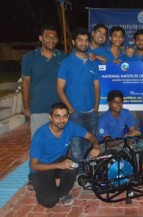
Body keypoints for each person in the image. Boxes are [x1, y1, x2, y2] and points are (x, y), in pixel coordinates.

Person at [21, 24, 67, 190]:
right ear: (41, 38)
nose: (52, 40)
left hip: (59, 110)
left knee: (59, 142)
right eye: (48, 36)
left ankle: (55, 173)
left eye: (54, 37)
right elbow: (25, 84)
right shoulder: (29, 58)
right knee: (38, 143)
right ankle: (33, 176)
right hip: (38, 107)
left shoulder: (63, 57)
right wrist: (26, 107)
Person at [30, 102, 100, 208]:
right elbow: (34, 165)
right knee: (49, 202)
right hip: (42, 167)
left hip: (59, 161)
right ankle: (36, 181)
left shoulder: (70, 126)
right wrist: (59, 165)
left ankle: (63, 192)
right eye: (57, 116)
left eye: (64, 116)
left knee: (73, 165)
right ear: (50, 117)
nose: (61, 120)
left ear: (68, 117)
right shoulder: (40, 136)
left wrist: (96, 146)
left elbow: (91, 136)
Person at [57, 28, 100, 175]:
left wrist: (95, 108)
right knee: (76, 146)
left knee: (91, 144)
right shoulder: (66, 63)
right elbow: (60, 89)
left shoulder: (92, 63)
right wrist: (71, 109)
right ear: (74, 42)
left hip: (92, 113)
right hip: (75, 113)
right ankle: (78, 175)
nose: (83, 43)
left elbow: (97, 88)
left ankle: (89, 173)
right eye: (80, 40)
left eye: (86, 40)